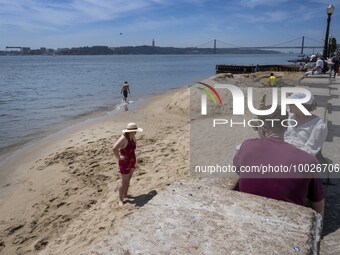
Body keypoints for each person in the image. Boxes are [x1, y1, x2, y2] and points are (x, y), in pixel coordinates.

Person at [233, 106, 324, 216]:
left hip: (248, 213)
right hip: (286, 221)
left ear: (262, 128)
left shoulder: (247, 145)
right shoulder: (309, 160)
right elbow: (318, 207)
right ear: (286, 127)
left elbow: (239, 170)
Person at [113, 122, 143, 206]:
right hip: (125, 162)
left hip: (132, 159)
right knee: (124, 182)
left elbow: (134, 146)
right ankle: (120, 200)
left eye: (136, 130)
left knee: (128, 180)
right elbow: (114, 148)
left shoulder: (132, 136)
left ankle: (125, 195)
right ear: (129, 131)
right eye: (134, 130)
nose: (136, 132)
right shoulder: (124, 138)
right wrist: (119, 157)